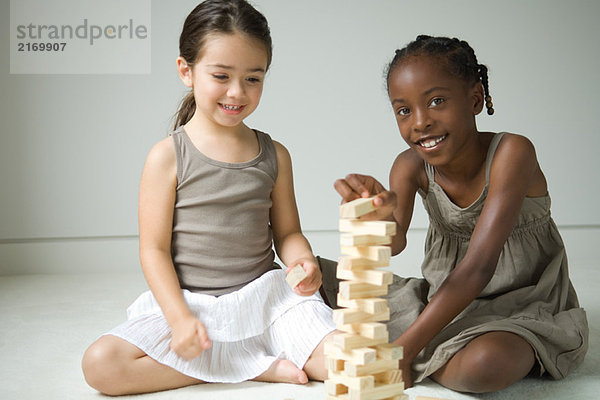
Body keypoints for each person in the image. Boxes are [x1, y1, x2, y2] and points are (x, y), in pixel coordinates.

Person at [81, 0, 335, 395]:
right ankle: (249, 365)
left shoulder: (275, 154)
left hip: (265, 302)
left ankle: (235, 358)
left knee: (346, 359)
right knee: (102, 366)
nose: (237, 92)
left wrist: (301, 259)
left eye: (253, 78)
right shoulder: (167, 156)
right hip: (190, 305)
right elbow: (154, 250)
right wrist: (180, 318)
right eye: (221, 75)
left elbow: (287, 233)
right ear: (187, 70)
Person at [329, 35, 588, 393]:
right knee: (320, 278)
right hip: (444, 301)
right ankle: (429, 350)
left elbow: (479, 266)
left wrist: (404, 352)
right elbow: (394, 242)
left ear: (475, 98)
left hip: (522, 306)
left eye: (437, 101)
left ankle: (418, 354)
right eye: (404, 110)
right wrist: (375, 218)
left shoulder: (512, 152)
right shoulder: (408, 166)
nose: (420, 122)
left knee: (484, 366)